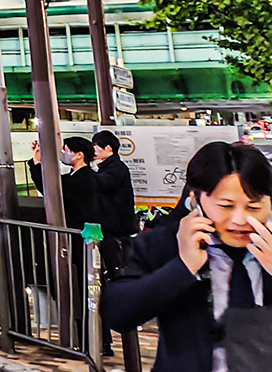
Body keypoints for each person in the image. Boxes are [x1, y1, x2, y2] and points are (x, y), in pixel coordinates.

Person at [105, 141, 272, 371]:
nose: (240, 220)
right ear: (196, 201)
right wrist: (183, 266)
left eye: (253, 208)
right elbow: (119, 314)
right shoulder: (164, 243)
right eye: (225, 206)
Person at [94, 130, 141, 269]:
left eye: (96, 145)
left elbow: (101, 184)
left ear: (108, 148)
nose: (93, 149)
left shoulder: (116, 168)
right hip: (114, 224)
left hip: (115, 225)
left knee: (118, 263)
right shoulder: (110, 167)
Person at [28, 136, 98, 229]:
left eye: (66, 150)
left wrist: (37, 161)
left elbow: (49, 188)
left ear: (79, 155)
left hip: (77, 229)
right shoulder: (77, 175)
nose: (63, 154)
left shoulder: (82, 179)